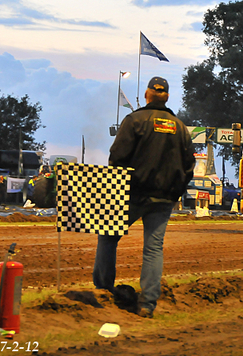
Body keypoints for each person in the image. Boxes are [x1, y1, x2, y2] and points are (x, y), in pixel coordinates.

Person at [93, 76, 195, 318]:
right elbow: (189, 165)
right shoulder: (180, 127)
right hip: (163, 200)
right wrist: (174, 192)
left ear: (148, 94)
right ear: (167, 97)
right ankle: (147, 304)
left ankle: (103, 291)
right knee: (153, 248)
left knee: (108, 237)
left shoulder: (134, 120)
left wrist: (119, 187)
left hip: (131, 195)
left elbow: (117, 157)